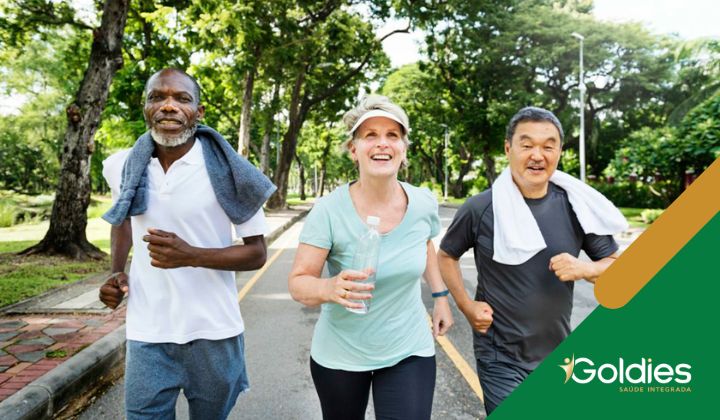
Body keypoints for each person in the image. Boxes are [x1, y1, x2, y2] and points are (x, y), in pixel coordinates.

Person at [98, 68, 276, 419]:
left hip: (214, 333)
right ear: (145, 107)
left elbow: (256, 253)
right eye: (157, 97)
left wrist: (192, 255)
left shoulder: (231, 172)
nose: (168, 106)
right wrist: (116, 272)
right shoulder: (121, 166)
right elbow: (123, 221)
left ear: (199, 111)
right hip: (148, 330)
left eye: (181, 98)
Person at [438, 107, 624, 415]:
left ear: (559, 152)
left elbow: (621, 269)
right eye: (527, 145)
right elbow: (446, 255)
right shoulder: (480, 208)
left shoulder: (576, 207)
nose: (538, 155)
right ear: (508, 148)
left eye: (548, 146)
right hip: (499, 356)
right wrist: (466, 306)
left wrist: (586, 269)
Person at [288, 95, 454, 420]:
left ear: (404, 148)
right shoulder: (329, 211)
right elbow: (298, 283)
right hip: (341, 355)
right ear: (354, 149)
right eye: (371, 135)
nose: (382, 144)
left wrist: (441, 297)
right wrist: (329, 288)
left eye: (392, 135)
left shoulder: (422, 203)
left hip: (409, 348)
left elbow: (425, 244)